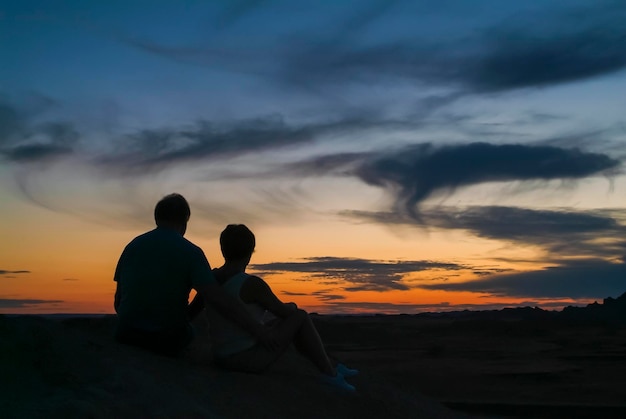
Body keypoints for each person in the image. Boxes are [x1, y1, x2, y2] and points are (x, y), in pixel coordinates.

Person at [189, 224, 358, 391]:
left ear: (223, 249)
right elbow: (283, 311)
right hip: (244, 359)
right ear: (250, 252)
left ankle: (331, 365)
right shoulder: (251, 284)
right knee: (300, 316)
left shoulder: (209, 279)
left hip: (220, 355)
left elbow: (193, 311)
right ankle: (330, 374)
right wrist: (291, 306)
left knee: (281, 323)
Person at [114, 193, 275, 357]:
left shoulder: (131, 247)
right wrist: (256, 328)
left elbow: (118, 300)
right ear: (184, 222)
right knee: (190, 330)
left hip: (125, 334)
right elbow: (216, 298)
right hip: (165, 339)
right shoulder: (191, 252)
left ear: (157, 218)